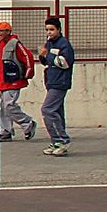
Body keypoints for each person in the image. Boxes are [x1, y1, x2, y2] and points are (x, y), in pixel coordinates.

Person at [0, 21, 36, 142]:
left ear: (8, 31)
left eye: (0, 30)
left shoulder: (15, 43)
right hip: (2, 81)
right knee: (1, 107)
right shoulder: (2, 43)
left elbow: (28, 56)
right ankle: (6, 131)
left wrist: (28, 73)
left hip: (12, 81)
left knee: (9, 106)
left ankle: (27, 122)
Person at [37, 15, 76, 156]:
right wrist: (42, 56)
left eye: (52, 29)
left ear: (59, 29)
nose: (49, 32)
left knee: (47, 109)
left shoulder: (64, 44)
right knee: (57, 111)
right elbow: (46, 62)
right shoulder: (49, 43)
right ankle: (56, 142)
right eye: (47, 30)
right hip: (51, 81)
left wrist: (48, 55)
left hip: (60, 82)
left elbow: (65, 63)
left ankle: (62, 139)